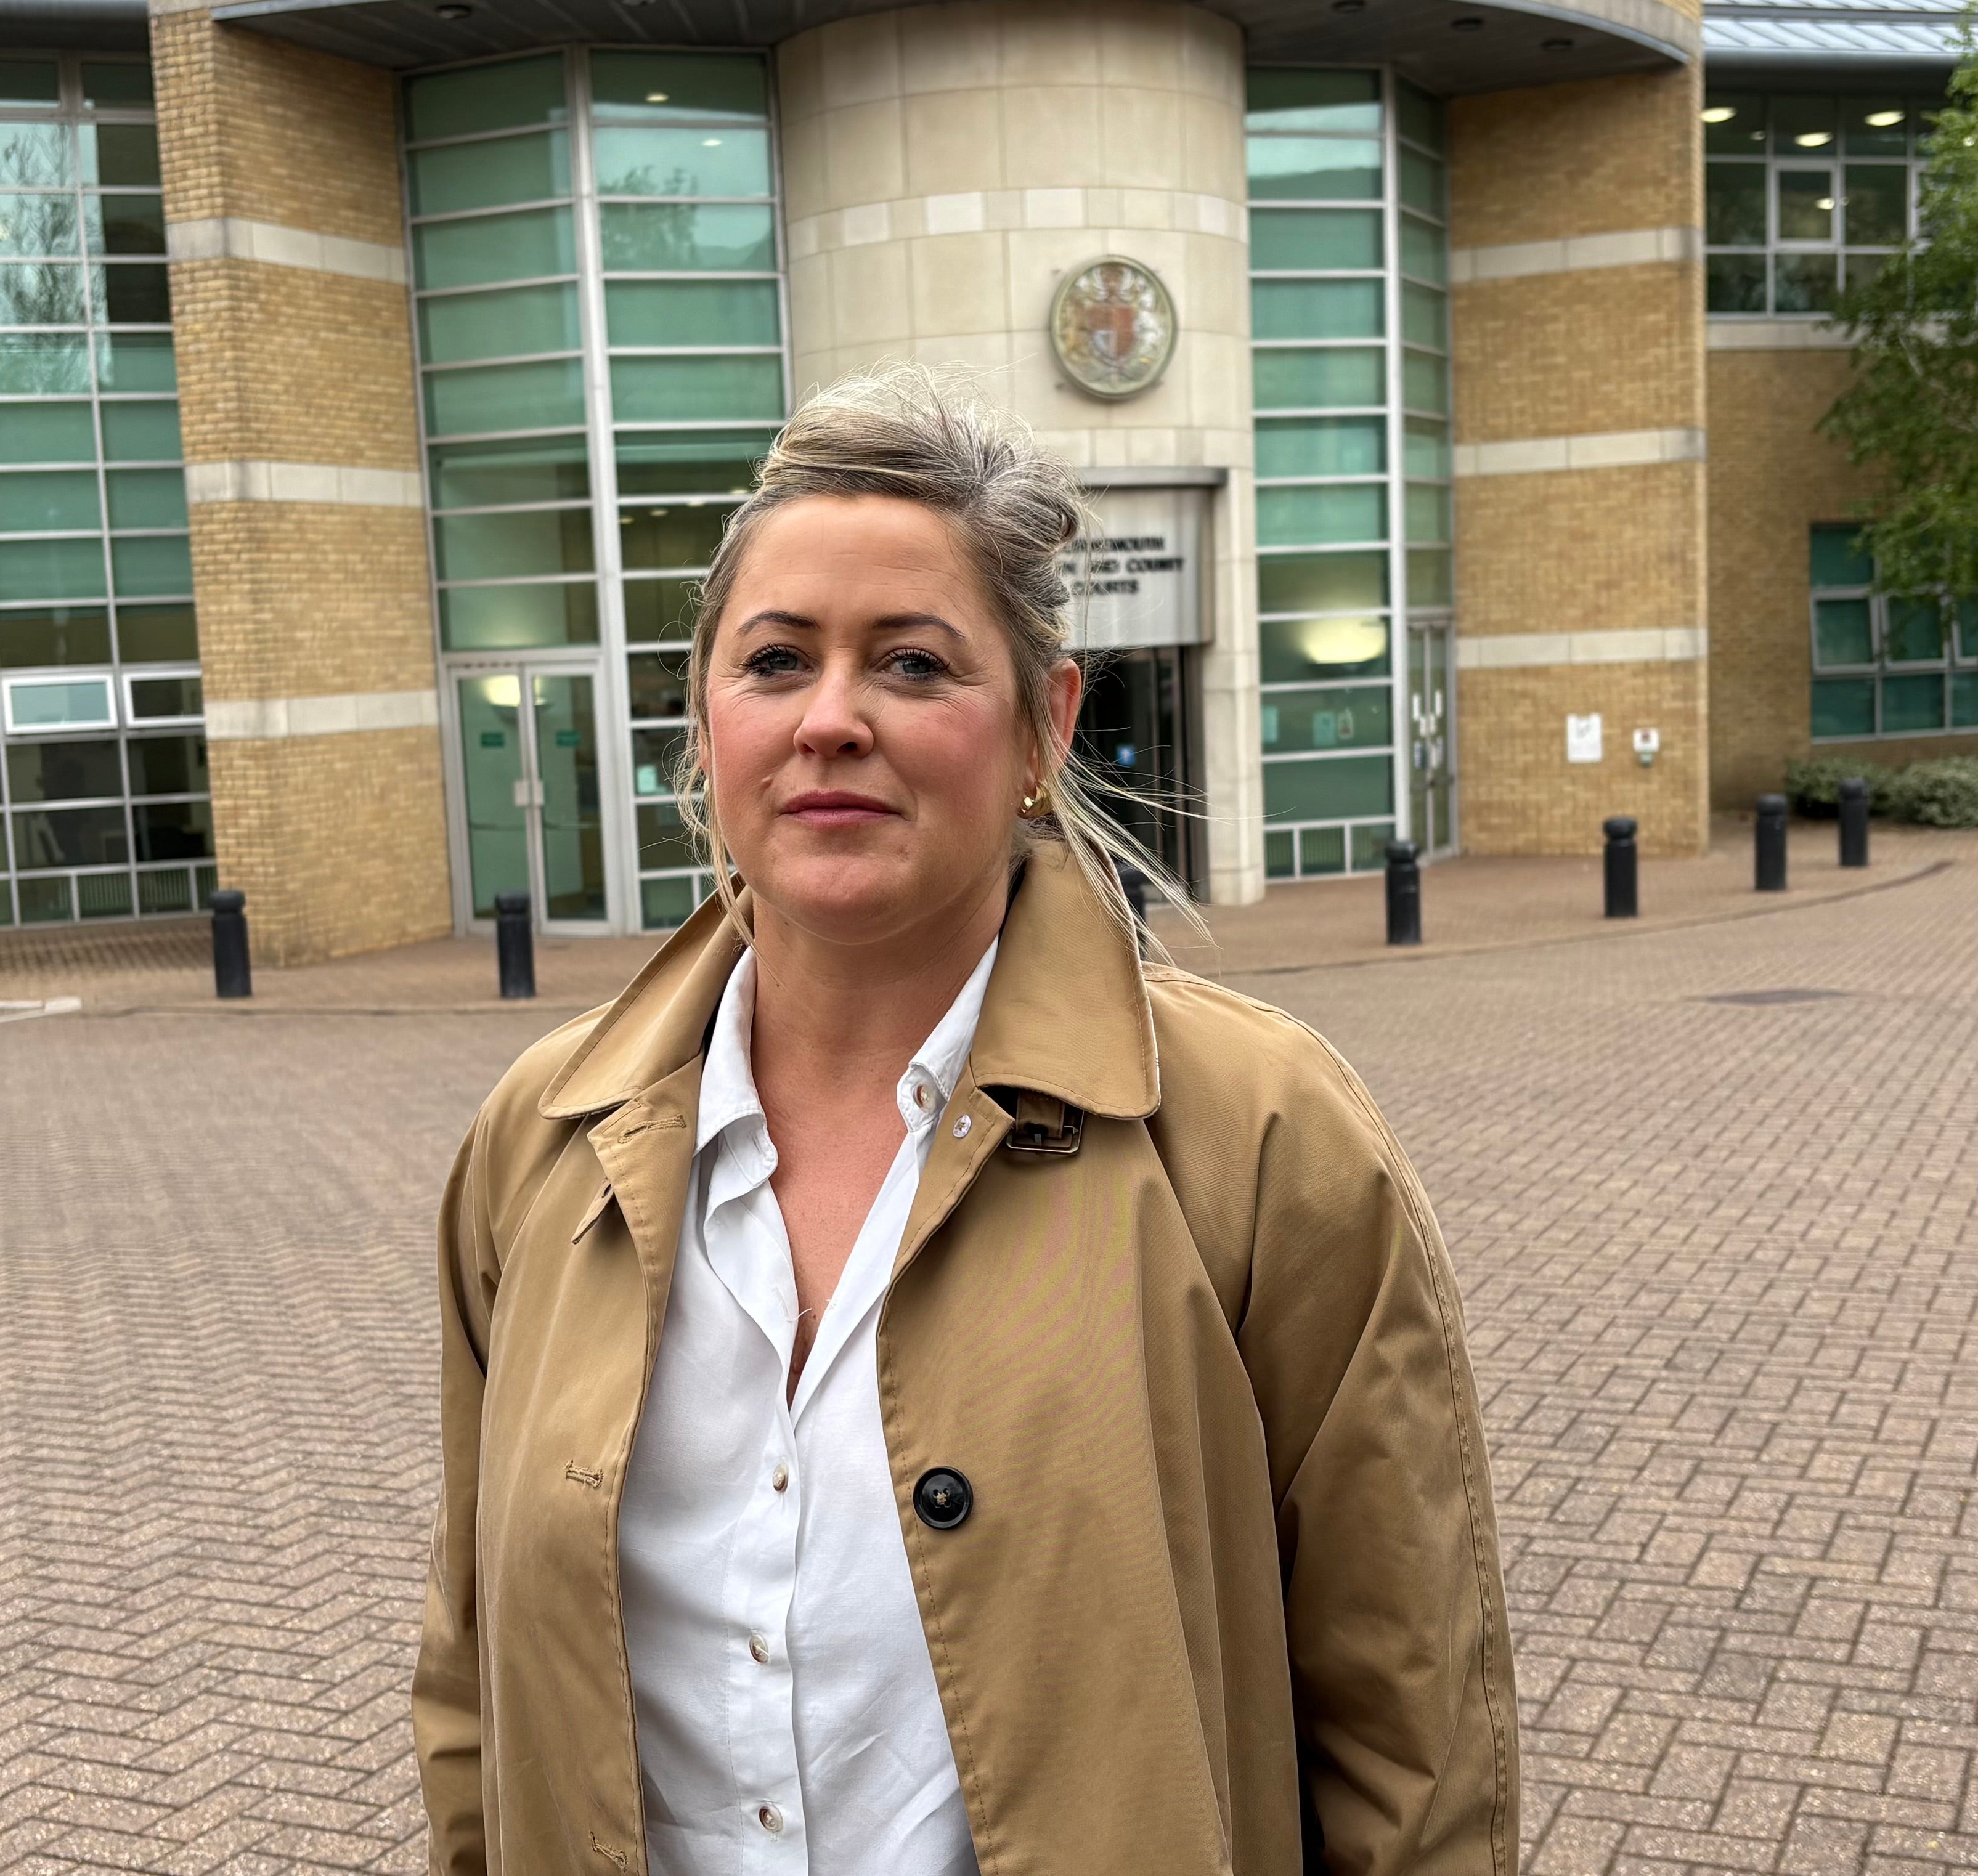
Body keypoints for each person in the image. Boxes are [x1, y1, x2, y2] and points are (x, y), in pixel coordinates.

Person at [413, 372, 1516, 1876]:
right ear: (706, 716)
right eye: (777, 660)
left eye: (914, 664)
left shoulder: (1260, 1139)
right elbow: (476, 1684)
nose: (831, 720)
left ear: (1043, 723)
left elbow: (1414, 1735)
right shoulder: (537, 1148)